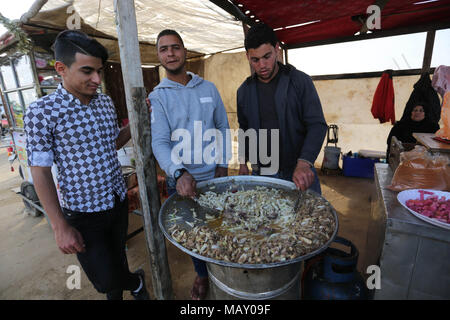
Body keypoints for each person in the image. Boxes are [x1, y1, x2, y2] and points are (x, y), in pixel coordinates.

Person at [24, 30, 149, 300]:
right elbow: (40, 171)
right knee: (103, 278)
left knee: (117, 258)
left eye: (100, 71)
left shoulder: (104, 102)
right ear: (61, 69)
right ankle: (136, 282)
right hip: (82, 213)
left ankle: (122, 289)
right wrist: (59, 226)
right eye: (87, 71)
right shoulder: (42, 112)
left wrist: (138, 121)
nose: (96, 79)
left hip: (116, 201)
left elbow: (112, 143)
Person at [149, 29, 230, 300]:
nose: (170, 53)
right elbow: (159, 142)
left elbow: (222, 126)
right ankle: (202, 274)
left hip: (215, 175)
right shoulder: (158, 96)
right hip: (182, 182)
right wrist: (179, 172)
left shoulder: (208, 88)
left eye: (175, 47)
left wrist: (223, 162)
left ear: (185, 51)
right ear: (159, 56)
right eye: (163, 49)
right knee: (194, 233)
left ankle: (225, 269)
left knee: (221, 226)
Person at [237, 23, 327, 193]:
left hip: (297, 171)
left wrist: (304, 162)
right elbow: (244, 129)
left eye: (267, 56)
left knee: (307, 217)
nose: (262, 65)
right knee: (267, 218)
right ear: (247, 56)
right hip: (262, 173)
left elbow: (317, 125)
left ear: (277, 49)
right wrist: (243, 163)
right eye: (255, 60)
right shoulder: (244, 91)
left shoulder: (300, 82)